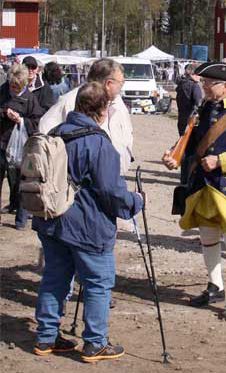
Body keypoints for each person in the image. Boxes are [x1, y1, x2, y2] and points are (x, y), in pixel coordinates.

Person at [32, 82, 143, 362]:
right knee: (98, 282)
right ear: (103, 110)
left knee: (55, 278)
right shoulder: (99, 143)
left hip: (51, 220)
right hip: (87, 225)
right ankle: (95, 343)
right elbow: (111, 193)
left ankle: (46, 337)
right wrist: (136, 201)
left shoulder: (55, 132)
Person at [163, 62, 226, 321]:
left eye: (209, 83)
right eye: (204, 82)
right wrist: (175, 156)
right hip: (203, 186)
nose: (204, 87)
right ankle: (215, 286)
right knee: (207, 238)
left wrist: (221, 161)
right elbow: (191, 143)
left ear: (225, 87)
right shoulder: (202, 110)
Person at [39, 59, 134, 175]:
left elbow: (128, 135)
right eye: (121, 83)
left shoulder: (118, 103)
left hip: (113, 180)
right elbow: (44, 133)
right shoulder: (71, 101)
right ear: (108, 84)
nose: (121, 87)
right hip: (83, 184)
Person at [0, 64, 44, 229]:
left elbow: (37, 121)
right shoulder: (2, 91)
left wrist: (21, 121)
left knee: (21, 182)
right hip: (2, 143)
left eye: (17, 87)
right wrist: (4, 113)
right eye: (12, 86)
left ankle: (21, 219)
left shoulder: (30, 99)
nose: (14, 89)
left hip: (21, 147)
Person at [175, 63, 203, 137]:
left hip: (181, 118)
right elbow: (198, 102)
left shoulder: (181, 84)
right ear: (193, 74)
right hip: (190, 119)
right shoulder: (194, 86)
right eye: (198, 74)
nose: (200, 77)